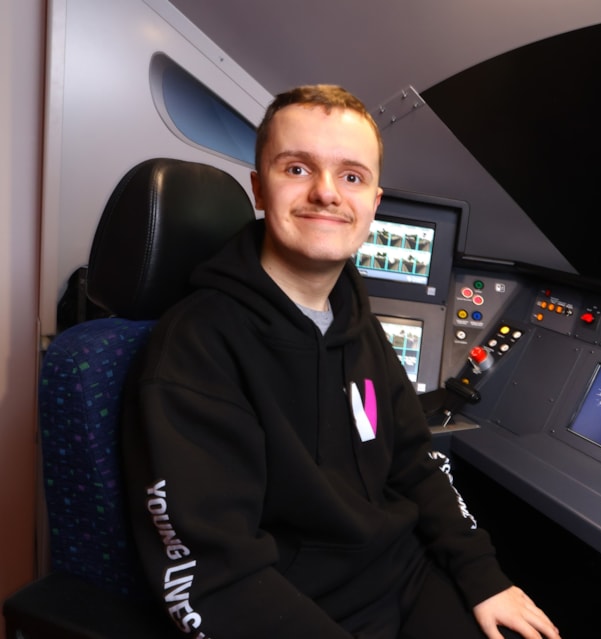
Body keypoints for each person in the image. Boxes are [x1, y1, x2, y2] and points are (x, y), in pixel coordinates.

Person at [121, 84, 561, 639]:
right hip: (297, 608)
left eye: (351, 176)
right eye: (298, 169)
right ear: (260, 189)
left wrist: (483, 576)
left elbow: (413, 460)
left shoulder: (353, 317)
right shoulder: (195, 349)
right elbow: (215, 574)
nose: (327, 193)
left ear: (373, 203)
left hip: (402, 578)